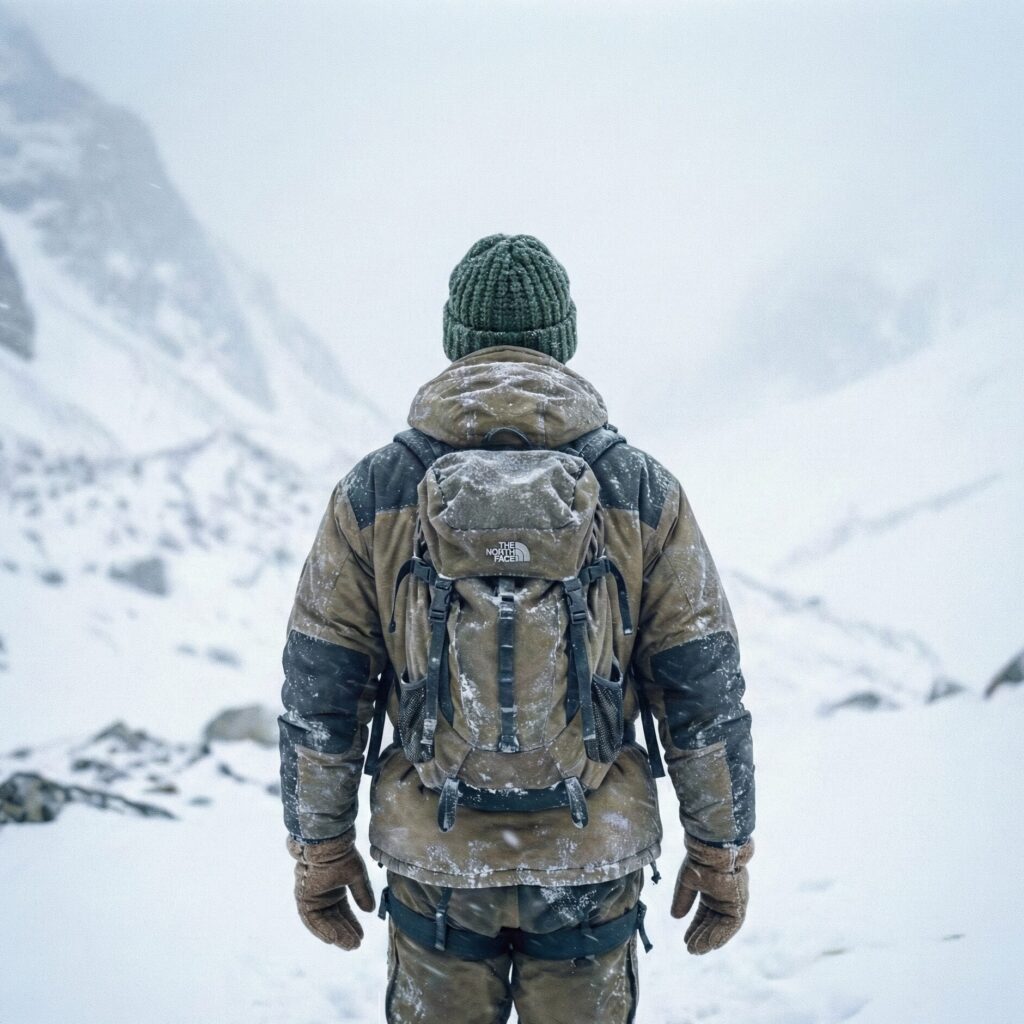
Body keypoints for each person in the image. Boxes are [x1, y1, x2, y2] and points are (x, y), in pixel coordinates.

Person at [277, 234, 755, 1024]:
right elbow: (701, 687)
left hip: (436, 856)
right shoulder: (638, 488)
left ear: (454, 341)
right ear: (563, 342)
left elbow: (322, 687)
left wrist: (320, 849)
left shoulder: (375, 490)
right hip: (589, 859)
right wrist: (721, 851)